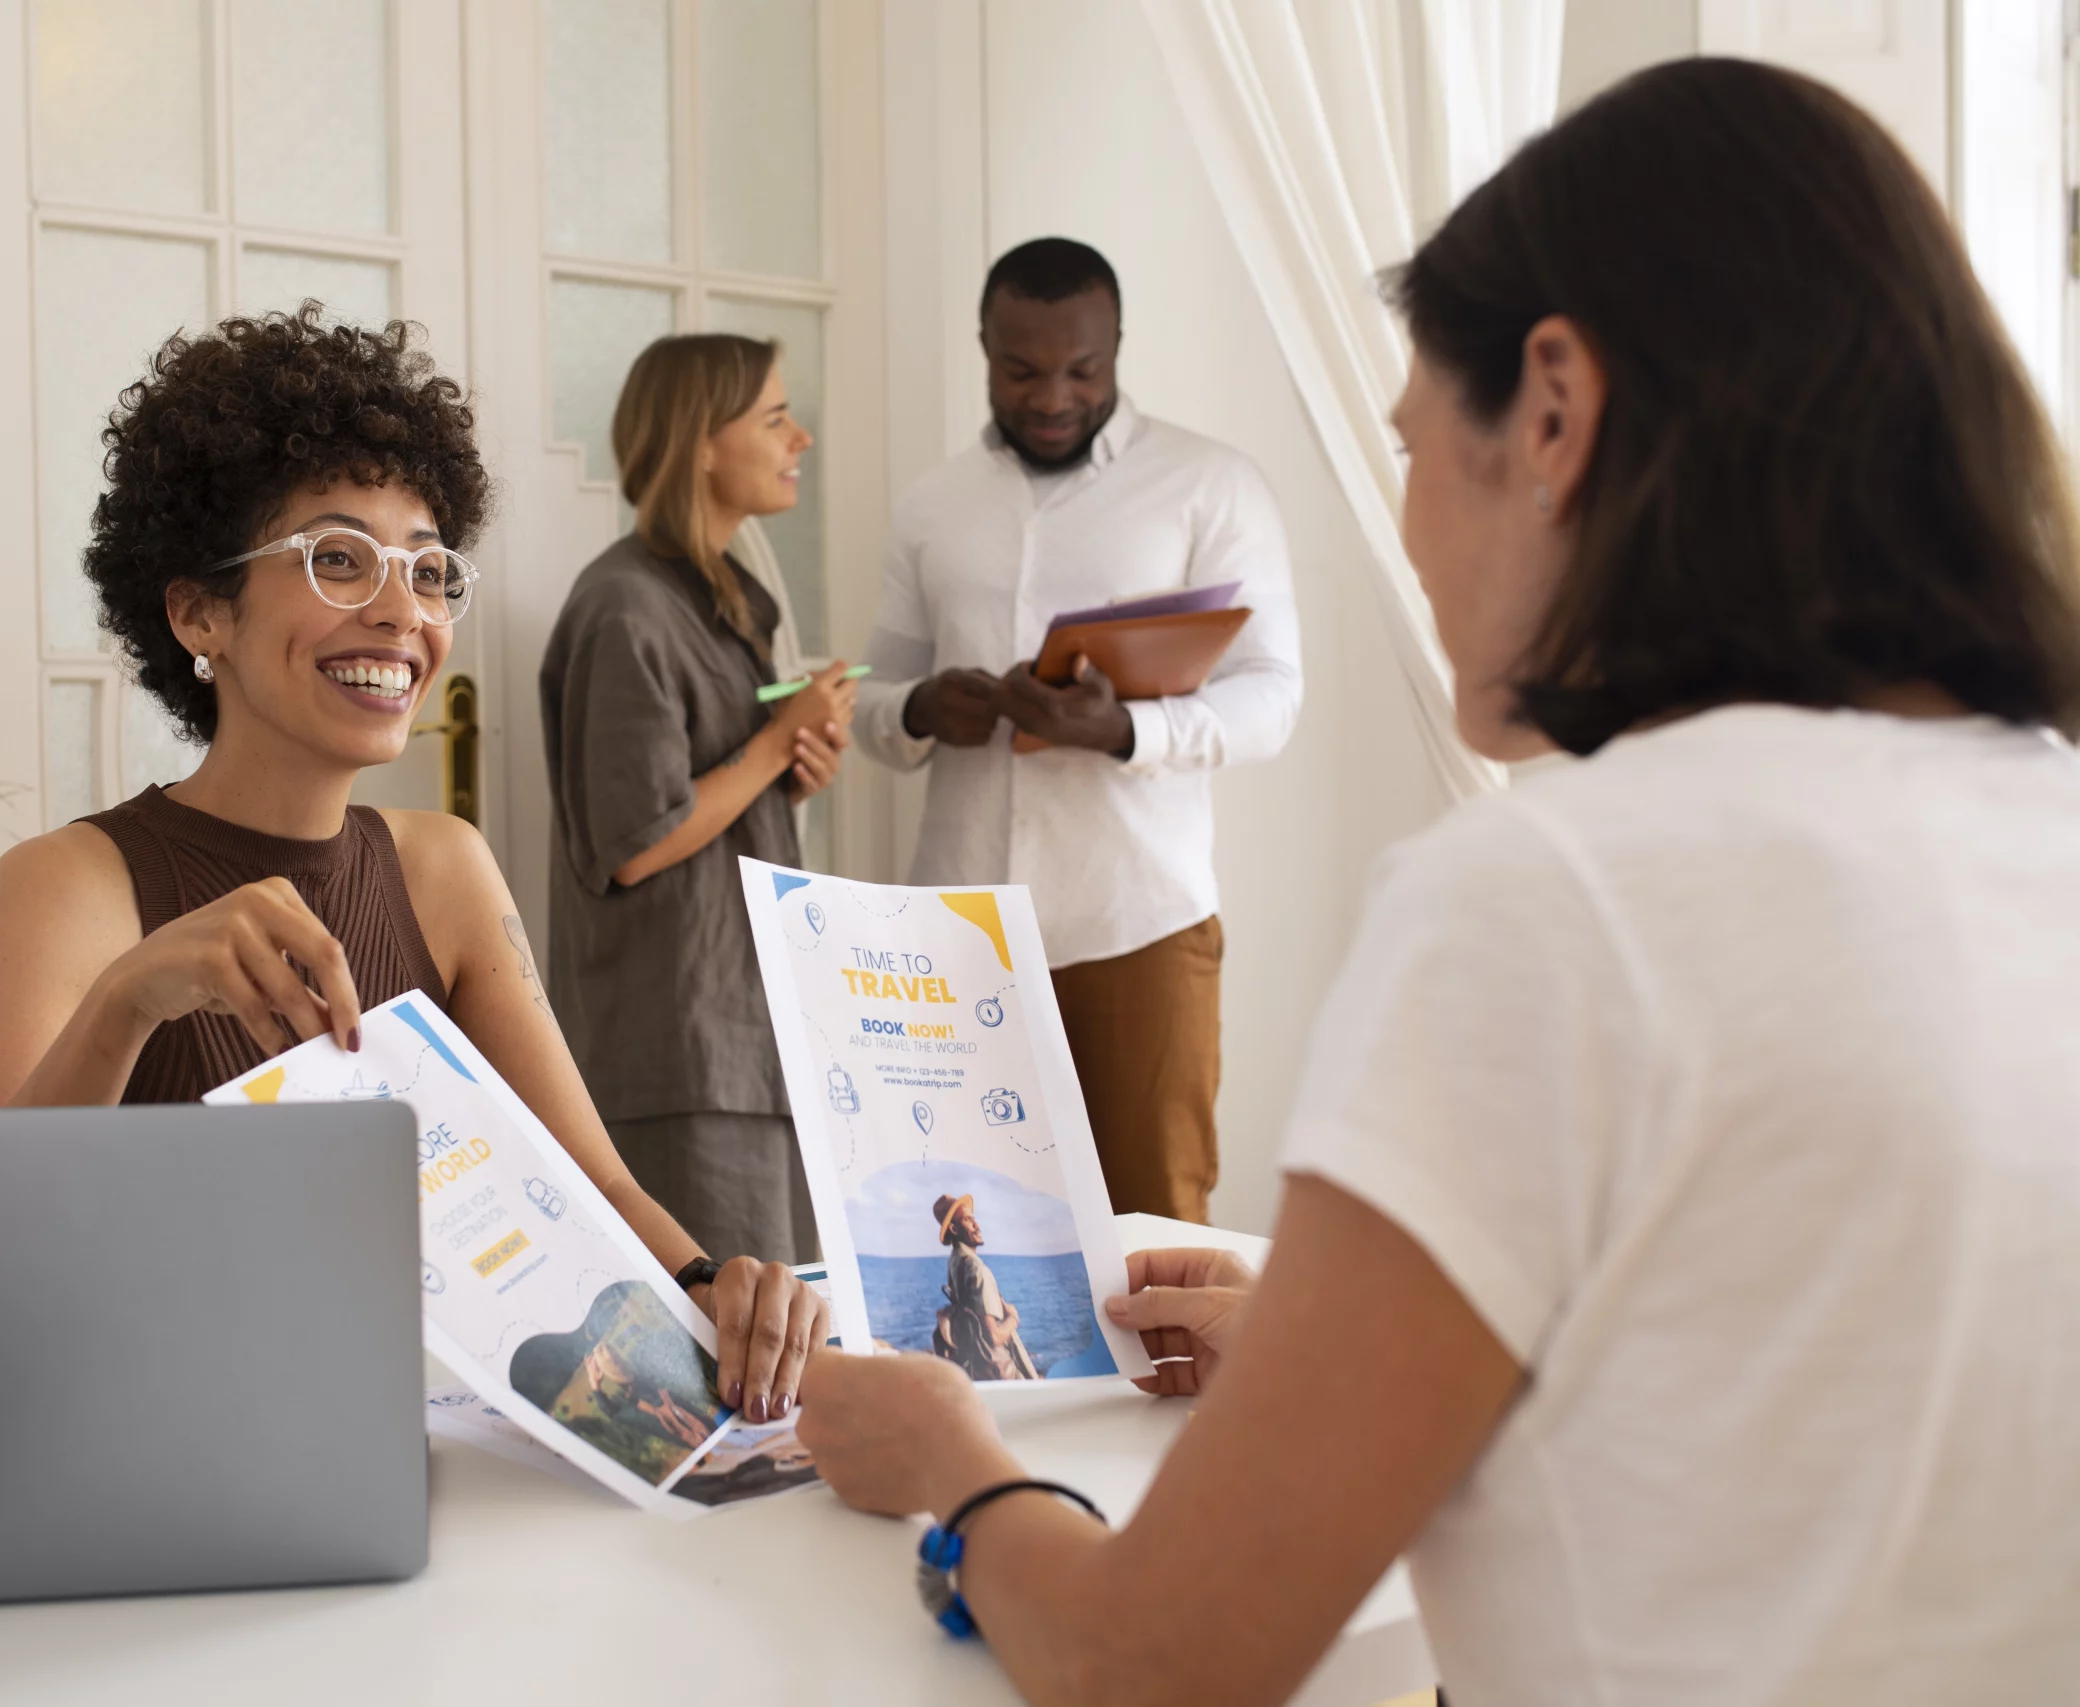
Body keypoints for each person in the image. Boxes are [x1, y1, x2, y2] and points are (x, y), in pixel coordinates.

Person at [794, 60, 2080, 1705]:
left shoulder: (1546, 897)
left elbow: (1149, 1661)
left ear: (1553, 412)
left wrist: (955, 1461)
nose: (1407, 531)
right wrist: (1340, 1337)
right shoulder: (2037, 820)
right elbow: (1794, 1365)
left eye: (1409, 443)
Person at [0, 307, 825, 1425]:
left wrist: (710, 1284)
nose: (404, 612)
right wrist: (131, 999)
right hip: (158, 1440)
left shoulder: (446, 866)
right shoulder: (68, 884)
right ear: (199, 613)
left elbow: (591, 1183)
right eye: (339, 560)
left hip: (422, 1435)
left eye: (428, 569)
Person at [854, 237, 1302, 1224]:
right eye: (1022, 371)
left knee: (1155, 1228)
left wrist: (1127, 730)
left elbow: (1273, 693)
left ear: (1118, 347)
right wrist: (921, 708)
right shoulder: (932, 505)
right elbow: (870, 696)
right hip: (956, 934)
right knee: (960, 1230)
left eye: (1082, 370)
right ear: (983, 348)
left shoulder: (1211, 485)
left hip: (1136, 923)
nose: (1053, 397)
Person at [538, 334, 856, 1268]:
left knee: (784, 1313)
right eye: (775, 418)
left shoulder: (719, 597)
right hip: (682, 1050)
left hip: (745, 1034)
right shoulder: (625, 609)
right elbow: (636, 841)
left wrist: (792, 763)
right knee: (730, 1326)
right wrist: (773, 743)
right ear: (702, 442)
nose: (801, 438)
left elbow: (714, 786)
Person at [930, 1195, 1038, 1381]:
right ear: (954, 1229)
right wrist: (1013, 1318)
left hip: (978, 1369)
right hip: (998, 1372)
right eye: (968, 1220)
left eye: (974, 1219)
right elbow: (993, 1337)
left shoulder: (955, 1261)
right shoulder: (977, 1269)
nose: (977, 1225)